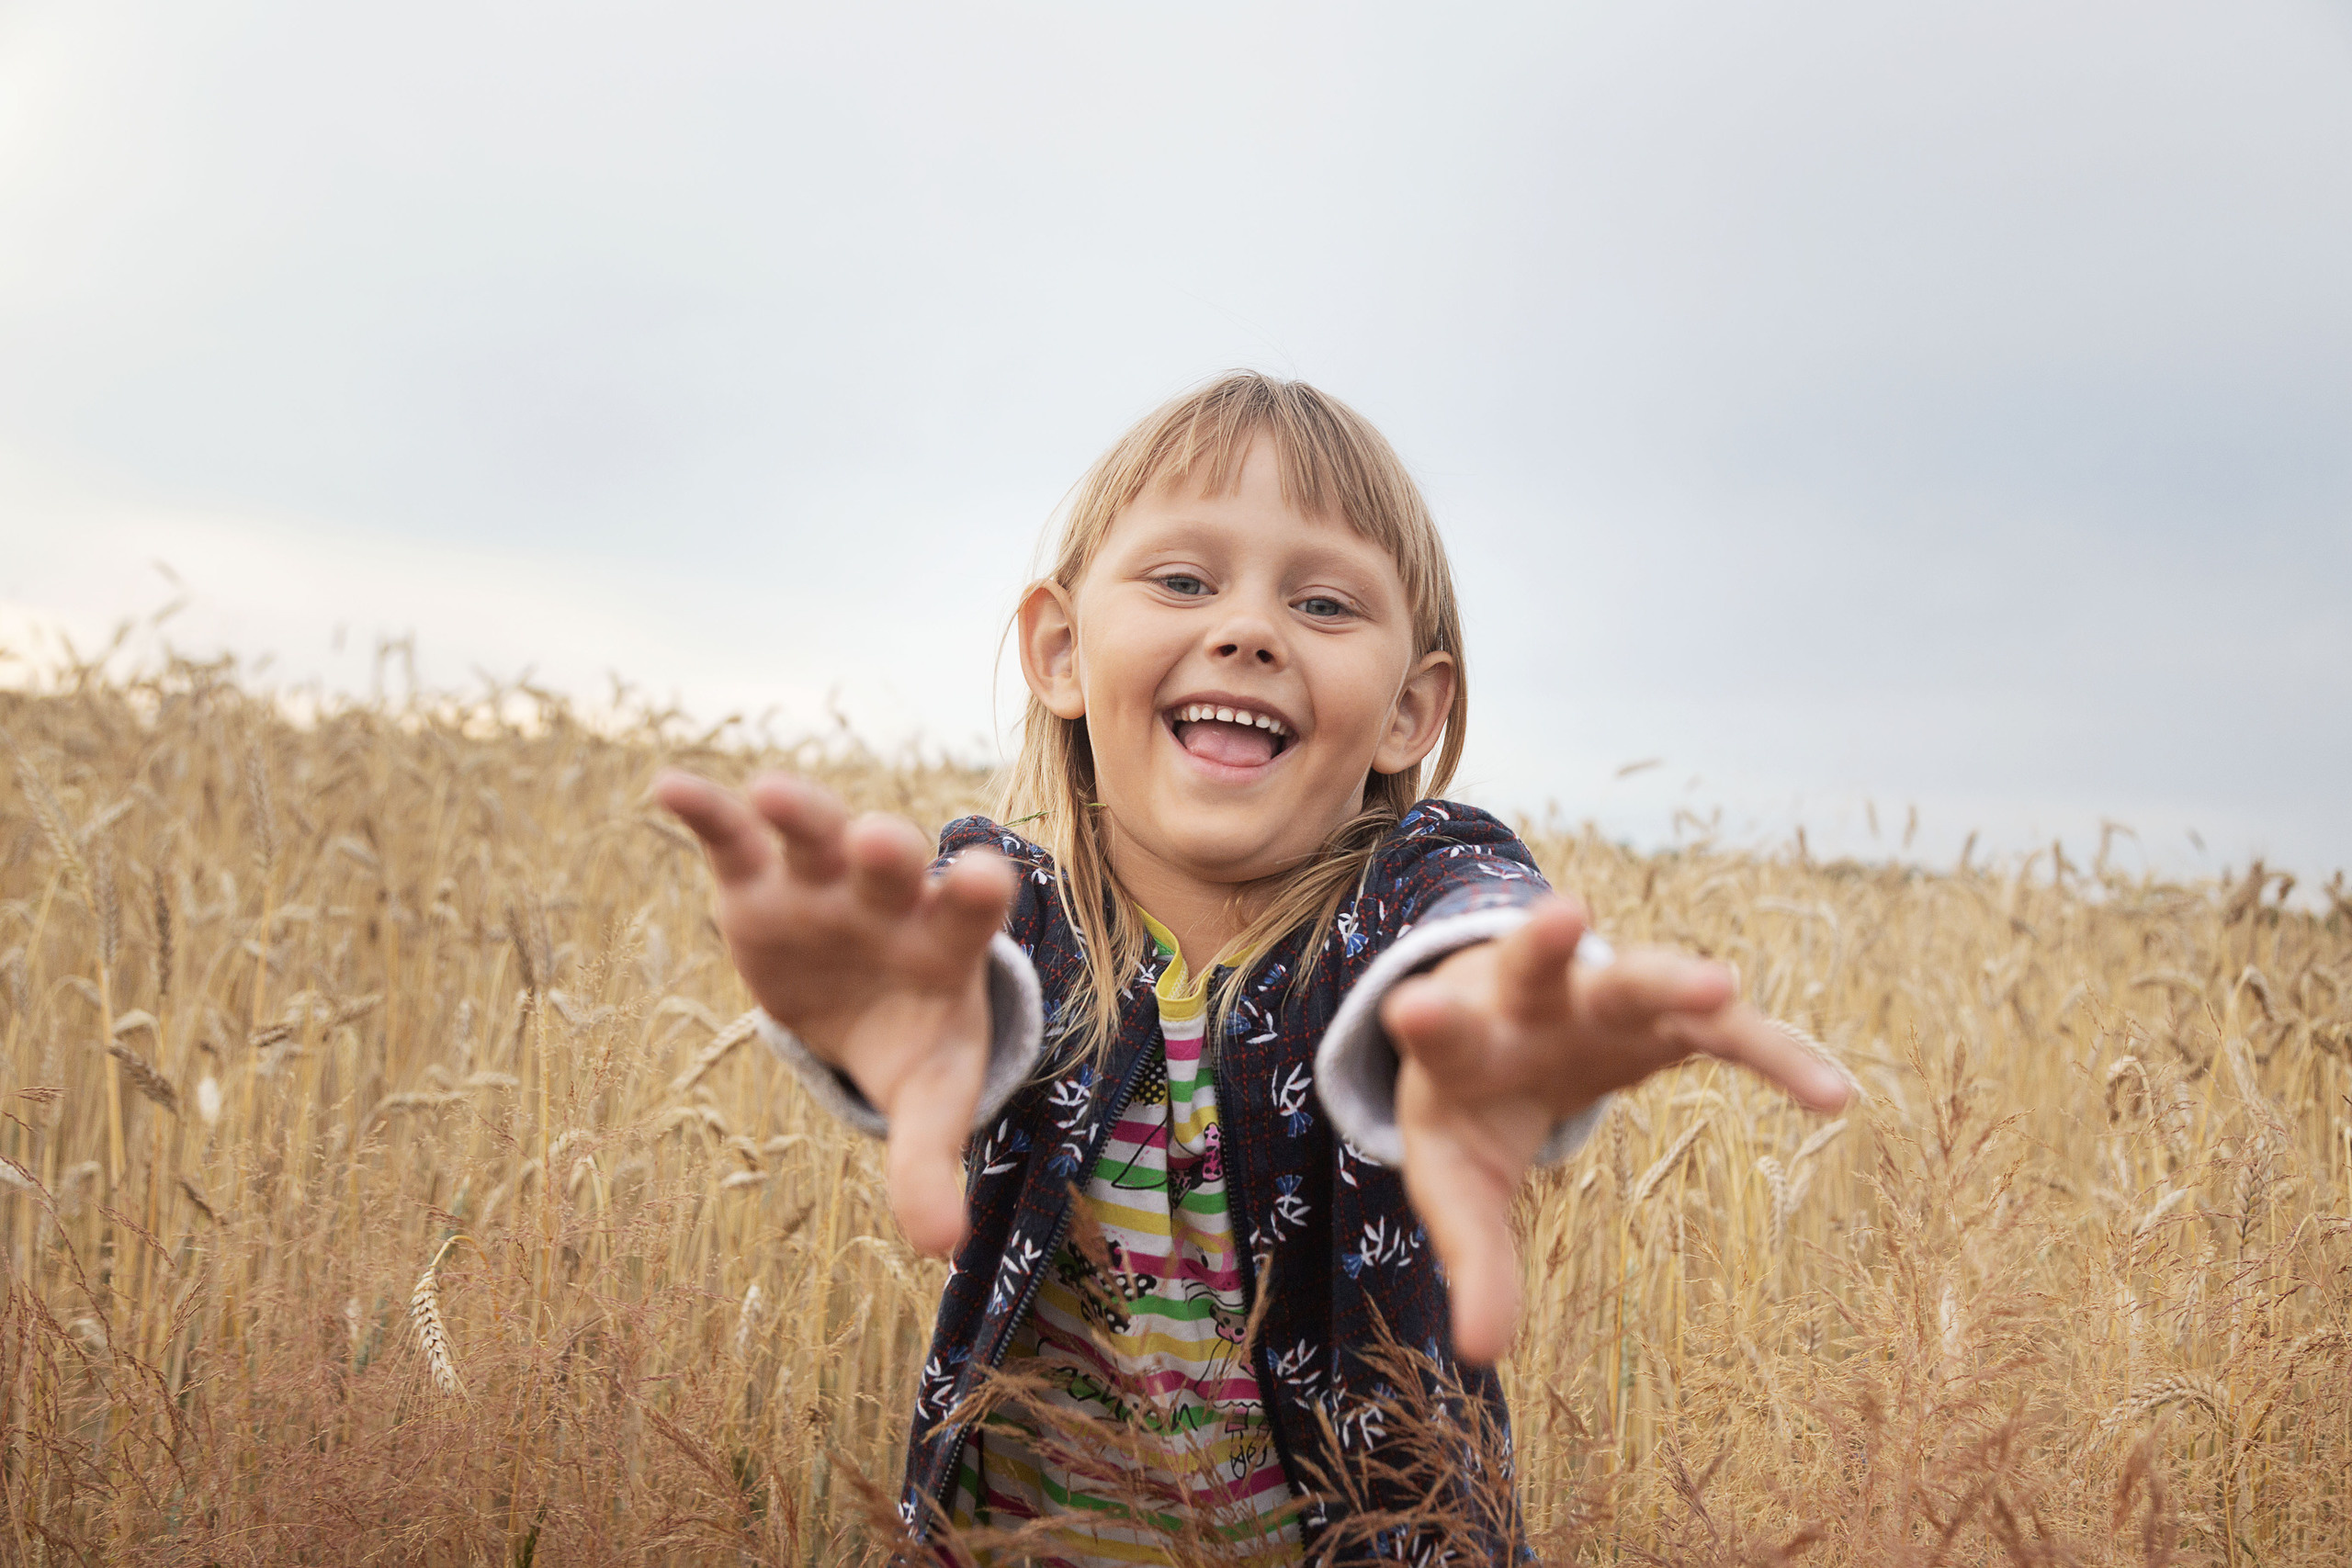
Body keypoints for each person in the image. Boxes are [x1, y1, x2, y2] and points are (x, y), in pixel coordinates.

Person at [656, 372, 1849, 1564]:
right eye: (1183, 581)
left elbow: (1476, 930)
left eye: (1325, 604)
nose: (1249, 629)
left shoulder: (1402, 905)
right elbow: (947, 993)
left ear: (1409, 712)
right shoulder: (1003, 913)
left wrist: (1497, 1016)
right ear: (1061, 650)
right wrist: (849, 1016)